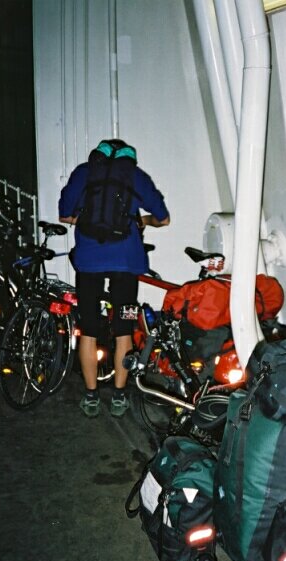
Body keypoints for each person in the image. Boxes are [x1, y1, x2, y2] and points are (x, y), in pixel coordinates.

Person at [59, 139, 170, 418]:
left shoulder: (83, 173)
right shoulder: (136, 176)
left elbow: (65, 216)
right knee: (124, 328)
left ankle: (91, 396)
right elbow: (163, 219)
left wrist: (88, 220)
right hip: (126, 264)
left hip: (89, 263)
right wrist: (141, 221)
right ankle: (119, 396)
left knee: (88, 329)